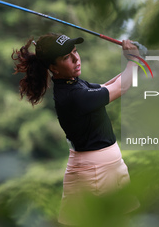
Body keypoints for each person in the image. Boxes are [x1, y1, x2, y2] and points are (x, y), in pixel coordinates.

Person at [12, 32, 140, 225]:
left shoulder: (73, 84)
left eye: (75, 52)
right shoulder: (72, 96)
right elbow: (121, 88)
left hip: (105, 168)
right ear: (53, 68)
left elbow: (107, 86)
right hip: (95, 174)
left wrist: (134, 61)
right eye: (66, 57)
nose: (75, 59)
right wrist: (134, 60)